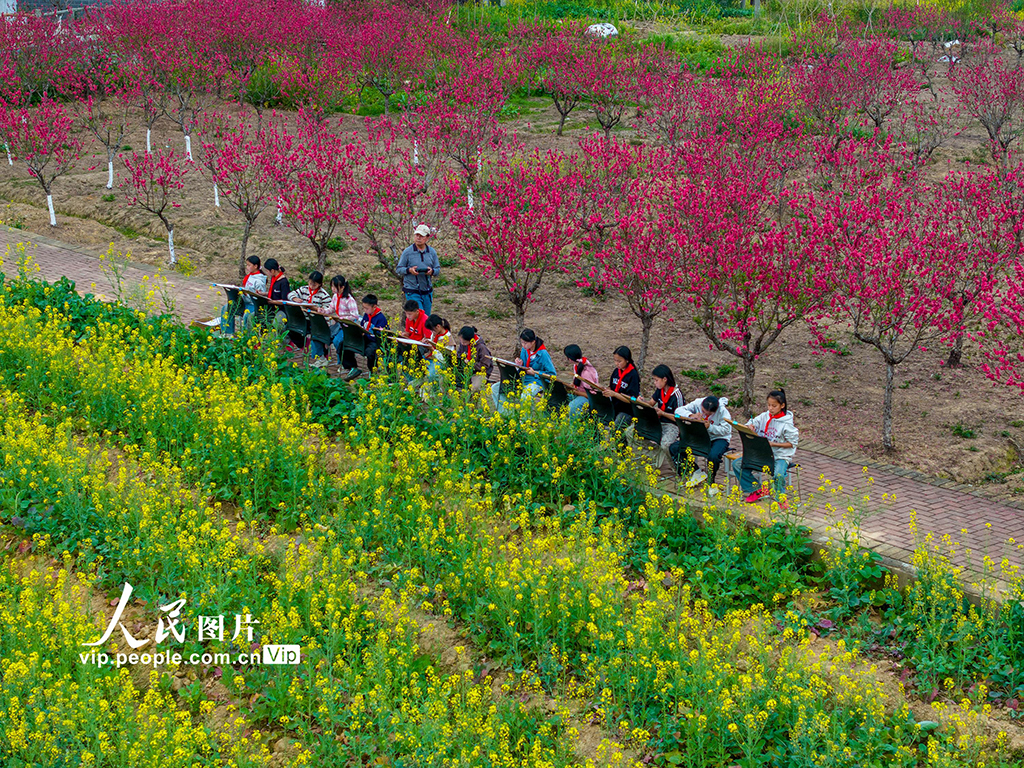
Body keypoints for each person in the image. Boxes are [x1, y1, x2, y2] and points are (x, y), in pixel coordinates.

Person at [733, 388, 799, 507]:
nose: (770, 408)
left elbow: (792, 443)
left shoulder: (787, 424)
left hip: (780, 456)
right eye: (769, 405)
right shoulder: (764, 416)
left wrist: (774, 444)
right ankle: (757, 489)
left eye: (774, 406)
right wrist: (750, 426)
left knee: (778, 475)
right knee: (737, 464)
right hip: (763, 454)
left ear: (782, 405)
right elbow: (753, 422)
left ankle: (781, 498)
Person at [672, 395, 733, 491]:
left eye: (708, 413)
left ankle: (711, 481)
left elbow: (726, 430)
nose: (704, 414)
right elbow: (678, 411)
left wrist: (710, 427)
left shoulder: (723, 412)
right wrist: (691, 415)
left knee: (713, 456)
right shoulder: (697, 402)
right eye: (703, 411)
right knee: (675, 448)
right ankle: (696, 472)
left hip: (718, 438)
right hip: (700, 436)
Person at [490, 328, 555, 413]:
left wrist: (535, 373)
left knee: (525, 396)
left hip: (536, 381)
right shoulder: (525, 350)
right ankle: (507, 415)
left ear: (533, 342)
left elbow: (552, 374)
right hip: (523, 379)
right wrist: (519, 364)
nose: (523, 345)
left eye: (525, 343)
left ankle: (525, 421)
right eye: (522, 342)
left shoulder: (543, 354)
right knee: (495, 388)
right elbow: (523, 367)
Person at [314, 275, 359, 372]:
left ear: (342, 287)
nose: (333, 289)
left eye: (335, 287)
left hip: (347, 326)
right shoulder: (335, 297)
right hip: (339, 324)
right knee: (322, 335)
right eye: (332, 287)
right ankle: (321, 357)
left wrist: (342, 318)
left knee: (338, 341)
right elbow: (331, 309)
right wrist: (323, 311)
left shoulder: (349, 299)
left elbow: (355, 316)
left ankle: (343, 364)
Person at [643, 364, 683, 470]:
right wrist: (641, 402)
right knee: (636, 433)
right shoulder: (659, 390)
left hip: (673, 425)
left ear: (665, 379)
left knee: (666, 445)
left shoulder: (676, 395)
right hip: (659, 422)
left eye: (656, 380)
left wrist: (663, 413)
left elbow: (679, 418)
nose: (655, 383)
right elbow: (651, 403)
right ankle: (655, 453)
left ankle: (676, 467)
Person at [396, 223, 441, 314]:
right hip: (412, 290)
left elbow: (437, 269)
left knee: (426, 318)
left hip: (427, 290)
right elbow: (399, 269)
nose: (418, 238)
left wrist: (432, 272)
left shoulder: (432, 252)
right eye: (417, 235)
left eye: (421, 236)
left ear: (427, 238)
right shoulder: (407, 252)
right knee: (419, 315)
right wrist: (409, 270)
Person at [288, 271, 331, 357]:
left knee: (317, 333)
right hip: (304, 318)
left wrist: (317, 309)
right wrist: (295, 298)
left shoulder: (324, 295)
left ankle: (322, 353)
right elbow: (290, 294)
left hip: (317, 321)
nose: (311, 286)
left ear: (319, 284)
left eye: (314, 285)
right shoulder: (304, 289)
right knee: (290, 327)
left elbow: (328, 310)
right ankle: (303, 344)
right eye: (310, 283)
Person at [219, 255, 266, 336]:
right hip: (244, 301)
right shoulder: (249, 276)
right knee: (226, 308)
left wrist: (247, 294)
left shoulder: (259, 281)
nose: (247, 267)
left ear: (255, 266)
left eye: (249, 265)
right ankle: (227, 333)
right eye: (246, 265)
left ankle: (246, 337)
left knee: (247, 316)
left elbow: (259, 297)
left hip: (252, 304)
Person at [347, 294, 389, 380]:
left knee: (370, 352)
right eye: (364, 308)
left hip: (375, 341)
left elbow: (380, 335)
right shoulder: (367, 315)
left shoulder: (380, 318)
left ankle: (372, 371)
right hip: (365, 337)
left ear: (374, 307)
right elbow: (363, 325)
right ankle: (352, 366)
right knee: (346, 343)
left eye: (367, 308)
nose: (365, 310)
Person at [601, 346, 641, 431]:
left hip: (626, 410)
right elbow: (611, 387)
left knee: (616, 427)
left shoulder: (633, 375)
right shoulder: (616, 371)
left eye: (619, 361)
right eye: (615, 360)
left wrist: (615, 394)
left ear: (627, 360)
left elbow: (632, 399)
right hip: (614, 405)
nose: (616, 363)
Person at [563, 344, 599, 418]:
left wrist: (575, 392)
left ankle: (573, 426)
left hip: (586, 398)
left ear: (569, 359)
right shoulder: (577, 365)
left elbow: (591, 395)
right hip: (579, 392)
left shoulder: (586, 372)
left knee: (572, 407)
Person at [455, 326, 494, 391]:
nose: (462, 344)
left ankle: (472, 400)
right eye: (461, 341)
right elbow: (459, 354)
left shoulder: (481, 347)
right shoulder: (463, 344)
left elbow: (485, 365)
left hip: (479, 372)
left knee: (474, 387)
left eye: (464, 342)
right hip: (466, 370)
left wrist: (471, 364)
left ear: (470, 340)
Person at [423, 314, 455, 381]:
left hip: (441, 363)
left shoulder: (448, 339)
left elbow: (444, 360)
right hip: (431, 358)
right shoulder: (436, 333)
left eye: (432, 330)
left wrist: (432, 349)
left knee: (430, 374)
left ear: (438, 326)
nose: (431, 332)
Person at [261, 258, 291, 329]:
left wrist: (273, 301)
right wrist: (263, 294)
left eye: (267, 271)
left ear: (272, 270)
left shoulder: (283, 282)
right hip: (271, 308)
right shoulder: (273, 278)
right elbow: (274, 292)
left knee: (276, 324)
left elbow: (285, 300)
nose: (267, 273)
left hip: (281, 309)